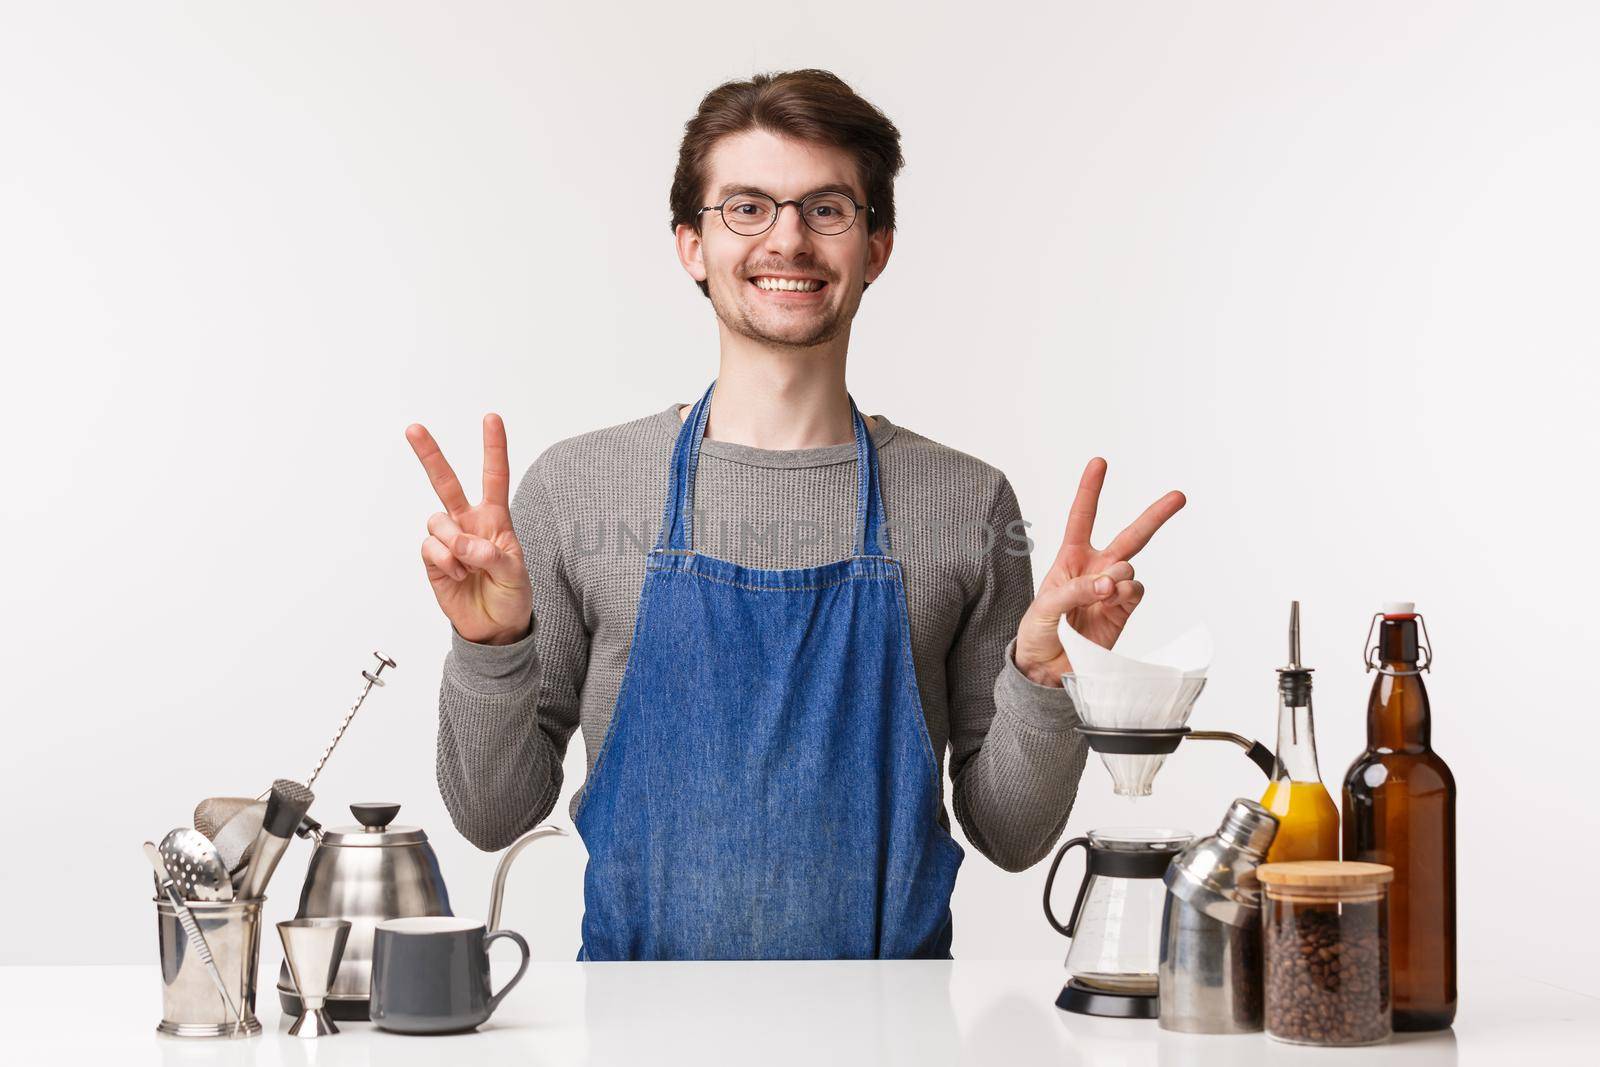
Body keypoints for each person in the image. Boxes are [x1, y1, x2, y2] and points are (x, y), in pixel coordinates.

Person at [404, 69, 1184, 961]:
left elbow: (1011, 835)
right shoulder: (578, 487)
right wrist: (489, 648)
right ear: (690, 245)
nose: (787, 239)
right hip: (637, 1034)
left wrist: (1048, 677)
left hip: (896, 1034)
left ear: (877, 246)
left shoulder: (968, 503)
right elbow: (491, 813)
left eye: (827, 209)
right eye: (746, 207)